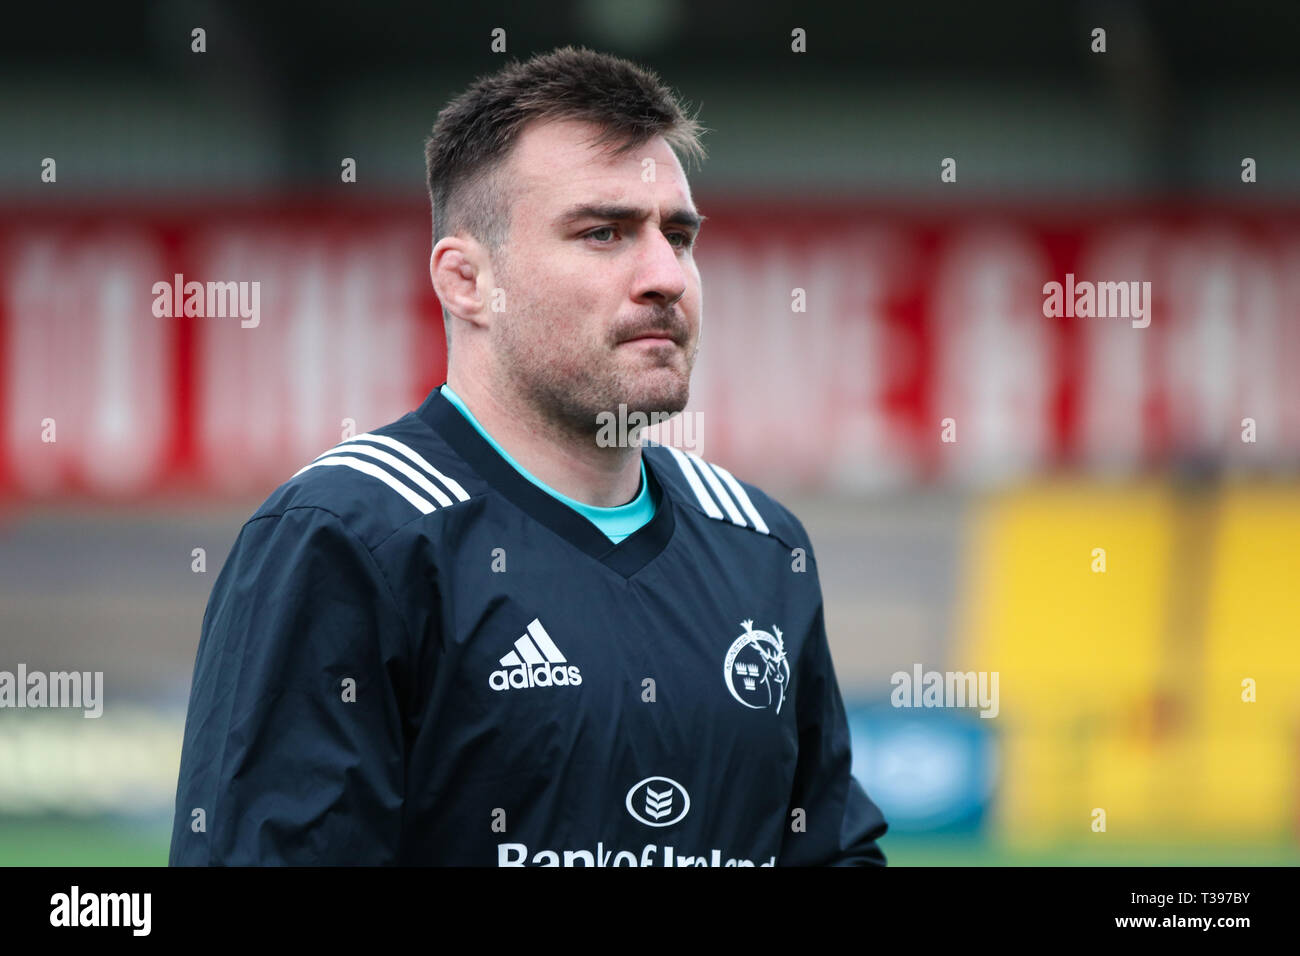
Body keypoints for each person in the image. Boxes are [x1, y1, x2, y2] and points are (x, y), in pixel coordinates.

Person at [169, 45, 888, 866]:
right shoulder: (347, 538)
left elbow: (832, 850)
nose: (666, 276)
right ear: (466, 281)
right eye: (603, 232)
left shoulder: (761, 545)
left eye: (679, 237)